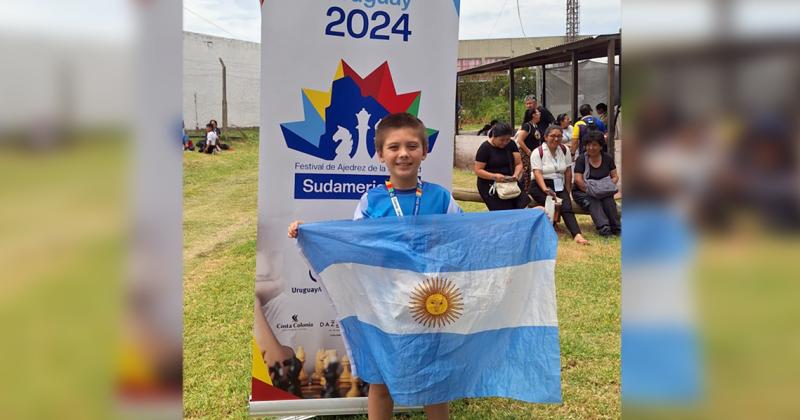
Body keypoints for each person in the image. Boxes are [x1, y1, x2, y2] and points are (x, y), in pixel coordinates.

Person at [289, 112, 460, 420]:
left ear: (425, 150)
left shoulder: (442, 198)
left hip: (431, 305)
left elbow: (466, 239)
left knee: (436, 383)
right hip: (385, 306)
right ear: (381, 154)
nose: (403, 153)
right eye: (394, 147)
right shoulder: (371, 201)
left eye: (412, 146)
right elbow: (352, 243)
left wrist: (527, 220)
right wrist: (310, 232)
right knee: (381, 384)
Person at [530, 125, 590, 245]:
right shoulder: (538, 152)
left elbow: (568, 171)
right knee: (551, 203)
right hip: (540, 184)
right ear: (545, 137)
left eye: (559, 136)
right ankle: (551, 228)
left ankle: (577, 234)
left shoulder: (564, 150)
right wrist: (545, 189)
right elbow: (537, 172)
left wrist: (567, 189)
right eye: (552, 136)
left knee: (567, 206)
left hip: (558, 184)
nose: (556, 139)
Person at [572, 131, 620, 236]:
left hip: (602, 190)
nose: (591, 148)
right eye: (588, 145)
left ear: (601, 146)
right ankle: (604, 228)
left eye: (594, 145)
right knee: (594, 200)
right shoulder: (581, 159)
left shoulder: (607, 158)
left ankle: (616, 227)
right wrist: (592, 191)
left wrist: (606, 187)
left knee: (608, 200)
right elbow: (578, 180)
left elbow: (615, 176)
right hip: (582, 191)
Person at [474, 122, 527, 211]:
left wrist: (516, 174)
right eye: (502, 140)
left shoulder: (511, 144)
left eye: (508, 139)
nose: (505, 142)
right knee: (504, 211)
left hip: (510, 182)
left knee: (522, 205)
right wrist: (494, 176)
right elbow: (478, 170)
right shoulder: (485, 148)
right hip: (490, 184)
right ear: (494, 136)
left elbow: (518, 163)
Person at [515, 108, 543, 192]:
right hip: (526, 153)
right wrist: (527, 151)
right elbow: (520, 140)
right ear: (533, 115)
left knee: (532, 171)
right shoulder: (527, 126)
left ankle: (529, 189)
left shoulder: (535, 126)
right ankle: (523, 189)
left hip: (534, 153)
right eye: (538, 113)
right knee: (526, 172)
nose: (540, 114)